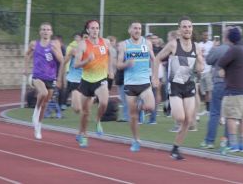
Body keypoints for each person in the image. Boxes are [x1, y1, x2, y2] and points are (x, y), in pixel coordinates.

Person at [153, 16, 204, 160]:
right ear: (180, 30)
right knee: (181, 118)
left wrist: (200, 62)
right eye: (184, 27)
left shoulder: (197, 47)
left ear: (192, 29)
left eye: (189, 26)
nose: (187, 29)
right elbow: (157, 59)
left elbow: (200, 69)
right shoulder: (173, 45)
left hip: (189, 85)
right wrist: (155, 77)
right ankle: (170, 108)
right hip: (175, 86)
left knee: (189, 120)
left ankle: (175, 149)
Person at [74, 20, 113, 147]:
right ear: (87, 30)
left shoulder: (105, 42)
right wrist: (87, 60)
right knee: (85, 113)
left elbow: (111, 54)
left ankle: (98, 119)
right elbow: (76, 64)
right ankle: (83, 134)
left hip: (101, 79)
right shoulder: (82, 45)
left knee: (104, 102)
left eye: (97, 28)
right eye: (92, 28)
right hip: (86, 81)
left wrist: (110, 69)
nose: (95, 30)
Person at [117, 21, 155, 152]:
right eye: (135, 28)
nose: (137, 30)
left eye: (139, 28)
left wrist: (155, 77)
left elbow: (154, 60)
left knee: (150, 106)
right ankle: (136, 139)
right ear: (130, 30)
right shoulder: (123, 45)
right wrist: (126, 63)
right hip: (130, 83)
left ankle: (140, 106)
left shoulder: (147, 43)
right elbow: (118, 65)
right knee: (133, 116)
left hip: (144, 82)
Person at [24, 22, 64, 140]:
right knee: (43, 93)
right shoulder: (34, 44)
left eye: (48, 30)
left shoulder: (55, 44)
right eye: (43, 29)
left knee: (45, 103)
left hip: (51, 77)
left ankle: (38, 126)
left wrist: (60, 78)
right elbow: (27, 55)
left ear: (51, 32)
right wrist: (25, 68)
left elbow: (62, 60)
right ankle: (35, 112)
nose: (45, 31)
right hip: (37, 76)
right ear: (40, 32)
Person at [218, 27, 243, 152]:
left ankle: (233, 144)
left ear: (229, 38)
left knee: (231, 117)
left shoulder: (234, 50)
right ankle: (242, 144)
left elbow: (221, 63)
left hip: (234, 89)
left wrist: (222, 71)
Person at [200, 26, 231, 149]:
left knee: (214, 113)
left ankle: (209, 141)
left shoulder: (221, 49)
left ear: (224, 37)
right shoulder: (238, 49)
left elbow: (208, 60)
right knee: (230, 114)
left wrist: (213, 47)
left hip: (219, 82)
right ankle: (228, 142)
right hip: (232, 84)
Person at [62, 32, 84, 114]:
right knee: (68, 90)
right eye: (76, 37)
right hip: (73, 76)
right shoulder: (73, 48)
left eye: (78, 37)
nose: (77, 38)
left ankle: (75, 104)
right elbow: (65, 61)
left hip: (83, 77)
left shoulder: (88, 49)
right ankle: (64, 104)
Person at [198, 31, 214, 115]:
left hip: (208, 70)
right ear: (202, 36)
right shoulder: (199, 45)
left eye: (207, 35)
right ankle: (207, 109)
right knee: (204, 92)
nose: (206, 36)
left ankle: (210, 109)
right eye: (204, 35)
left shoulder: (211, 44)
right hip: (201, 70)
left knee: (209, 90)